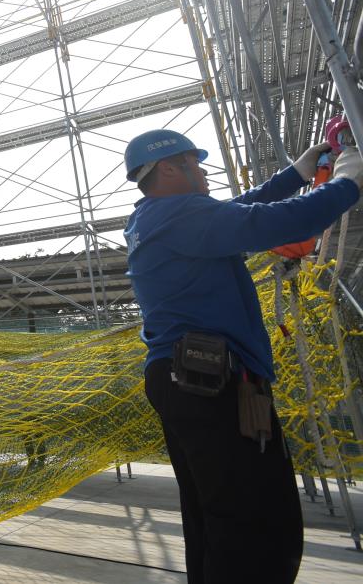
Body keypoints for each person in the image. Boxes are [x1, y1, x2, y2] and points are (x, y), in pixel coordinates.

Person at [122, 129, 363, 584]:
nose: (205, 169)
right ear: (169, 168)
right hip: (208, 380)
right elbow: (266, 224)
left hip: (191, 377)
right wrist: (346, 183)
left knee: (218, 516)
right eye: (196, 162)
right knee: (255, 519)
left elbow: (236, 211)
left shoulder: (155, 217)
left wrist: (295, 174)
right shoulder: (175, 217)